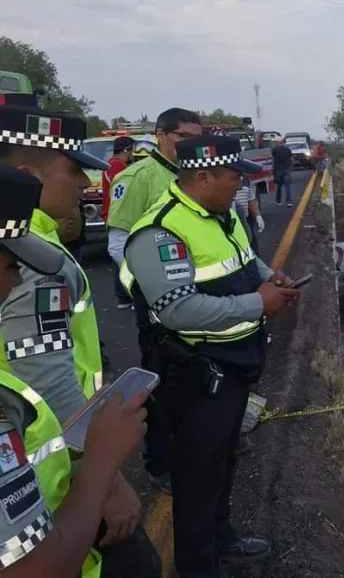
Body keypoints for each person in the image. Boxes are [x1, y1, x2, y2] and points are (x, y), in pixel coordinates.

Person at [122, 135, 300, 578]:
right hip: (197, 373)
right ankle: (199, 567)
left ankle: (223, 540)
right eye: (234, 177)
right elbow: (177, 309)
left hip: (235, 364)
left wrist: (269, 276)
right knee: (197, 479)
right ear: (203, 177)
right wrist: (258, 304)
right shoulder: (160, 231)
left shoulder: (222, 213)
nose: (241, 185)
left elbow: (244, 260)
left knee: (223, 461)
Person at [0, 98, 160, 575]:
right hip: (45, 478)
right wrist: (105, 480)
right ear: (28, 174)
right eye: (74, 171)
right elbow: (44, 373)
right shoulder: (30, 257)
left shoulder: (34, 245)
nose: (88, 184)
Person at [106, 107, 202, 491]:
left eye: (197, 136)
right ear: (161, 135)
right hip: (158, 300)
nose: (191, 145)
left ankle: (196, 446)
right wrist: (158, 283)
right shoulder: (139, 177)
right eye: (184, 137)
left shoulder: (193, 174)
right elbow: (118, 244)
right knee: (161, 381)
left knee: (198, 374)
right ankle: (158, 462)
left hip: (196, 297)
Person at [103, 136, 135, 309]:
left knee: (118, 259)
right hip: (119, 216)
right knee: (123, 257)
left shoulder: (111, 165)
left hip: (113, 214)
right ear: (126, 150)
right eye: (132, 150)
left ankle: (123, 297)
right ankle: (127, 294)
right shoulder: (118, 168)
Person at [234, 174, 265, 256]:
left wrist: (258, 216)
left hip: (245, 218)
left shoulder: (244, 177)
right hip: (231, 220)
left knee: (251, 242)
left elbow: (250, 197)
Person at [271, 138, 293, 207]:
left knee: (279, 186)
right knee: (287, 187)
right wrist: (290, 166)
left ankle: (278, 201)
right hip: (286, 169)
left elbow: (272, 160)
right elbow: (291, 159)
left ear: (277, 142)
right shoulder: (287, 149)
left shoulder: (274, 150)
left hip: (278, 170)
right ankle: (289, 202)